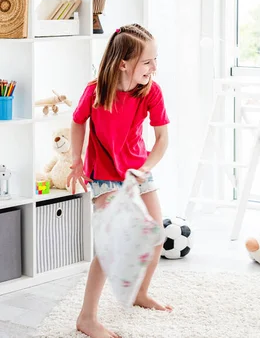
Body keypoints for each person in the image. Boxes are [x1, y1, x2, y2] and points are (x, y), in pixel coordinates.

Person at [67, 23, 171, 338]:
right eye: (148, 61)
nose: (154, 67)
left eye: (155, 59)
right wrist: (75, 159)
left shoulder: (151, 90)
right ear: (124, 62)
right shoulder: (96, 89)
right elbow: (77, 122)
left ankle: (140, 293)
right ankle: (87, 318)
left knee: (156, 234)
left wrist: (146, 167)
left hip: (138, 168)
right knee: (109, 245)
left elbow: (162, 138)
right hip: (104, 175)